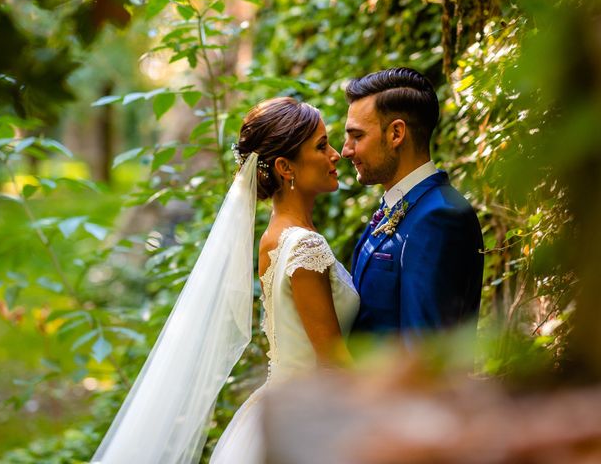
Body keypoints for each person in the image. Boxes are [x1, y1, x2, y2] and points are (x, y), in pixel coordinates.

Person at [91, 97, 359, 464]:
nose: (335, 155)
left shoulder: (274, 238)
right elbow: (333, 362)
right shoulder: (304, 245)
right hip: (309, 415)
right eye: (321, 145)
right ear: (285, 167)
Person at [342, 67, 483, 338]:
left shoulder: (440, 217)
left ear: (396, 133)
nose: (346, 150)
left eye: (357, 136)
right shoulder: (401, 206)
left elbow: (424, 351)